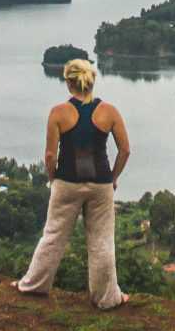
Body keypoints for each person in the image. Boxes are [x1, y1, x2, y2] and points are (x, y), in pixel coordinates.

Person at [16, 57, 130, 309]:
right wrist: (113, 178)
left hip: (66, 182)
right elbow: (125, 150)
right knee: (101, 241)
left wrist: (52, 178)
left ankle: (34, 285)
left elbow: (49, 155)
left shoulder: (58, 112)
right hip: (101, 185)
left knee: (54, 235)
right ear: (91, 81)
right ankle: (107, 299)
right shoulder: (109, 112)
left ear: (69, 83)